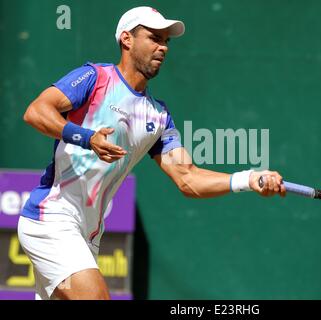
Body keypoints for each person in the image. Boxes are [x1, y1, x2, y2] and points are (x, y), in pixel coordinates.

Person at [18, 6, 286, 300]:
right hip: (51, 218)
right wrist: (87, 137)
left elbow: (189, 179)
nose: (163, 47)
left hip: (88, 235)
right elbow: (36, 111)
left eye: (166, 41)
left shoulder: (158, 117)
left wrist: (248, 179)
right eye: (154, 38)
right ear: (126, 39)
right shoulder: (94, 79)